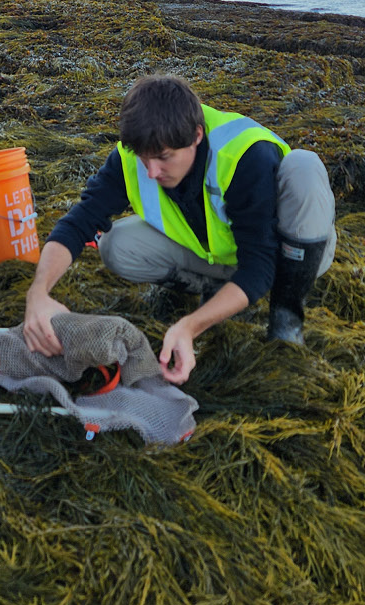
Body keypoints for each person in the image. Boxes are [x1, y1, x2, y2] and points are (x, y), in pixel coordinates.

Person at [21, 74, 335, 383]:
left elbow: (260, 266)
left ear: (197, 136)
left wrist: (189, 326)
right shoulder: (134, 157)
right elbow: (78, 223)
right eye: (144, 158)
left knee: (304, 167)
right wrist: (38, 293)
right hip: (217, 257)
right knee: (116, 245)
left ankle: (286, 319)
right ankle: (216, 292)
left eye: (163, 158)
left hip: (288, 257)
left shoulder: (244, 155)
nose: (152, 171)